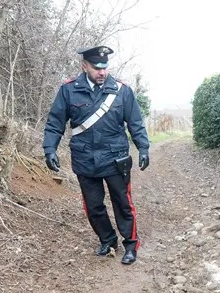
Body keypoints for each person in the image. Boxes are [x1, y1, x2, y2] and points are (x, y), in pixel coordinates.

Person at [43, 45, 149, 265]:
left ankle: (130, 244)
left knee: (123, 203)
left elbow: (135, 123)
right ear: (85, 66)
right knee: (93, 205)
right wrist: (50, 148)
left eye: (105, 67)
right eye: (96, 68)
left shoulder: (122, 90)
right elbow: (55, 123)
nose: (102, 72)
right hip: (85, 159)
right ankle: (108, 240)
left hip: (115, 158)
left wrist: (144, 148)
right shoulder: (69, 90)